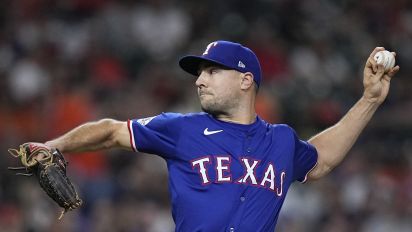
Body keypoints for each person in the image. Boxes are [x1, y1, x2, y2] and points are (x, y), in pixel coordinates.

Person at [30, 41, 398, 231]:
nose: (200, 80)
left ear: (245, 80)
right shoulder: (181, 128)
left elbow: (321, 160)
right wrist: (55, 145)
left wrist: (369, 99)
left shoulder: (281, 141)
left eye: (211, 71)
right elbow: (111, 131)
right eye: (199, 73)